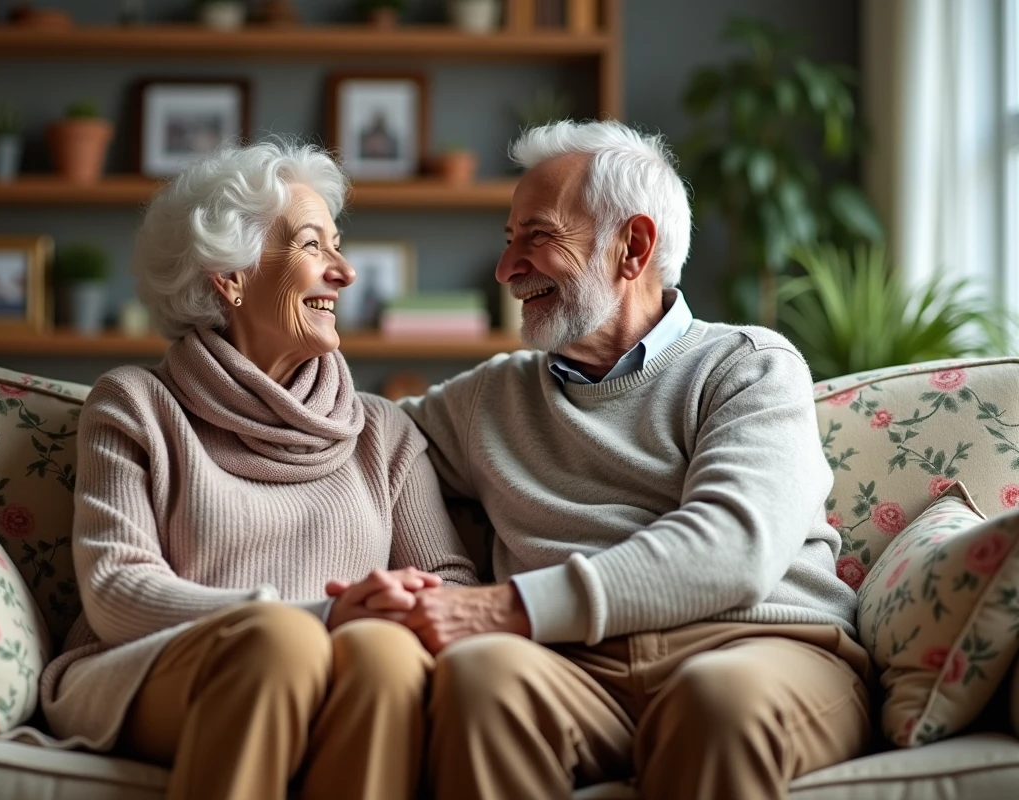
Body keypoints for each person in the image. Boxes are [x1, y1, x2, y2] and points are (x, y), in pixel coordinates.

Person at [372, 120, 871, 799]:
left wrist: (506, 607)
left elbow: (734, 548)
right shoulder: (493, 396)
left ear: (633, 246)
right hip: (575, 672)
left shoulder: (748, 366)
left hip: (757, 650)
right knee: (478, 677)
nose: (506, 269)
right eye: (509, 240)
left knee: (716, 700)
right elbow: (364, 435)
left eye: (537, 237)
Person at [38, 140, 477, 800]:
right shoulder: (136, 404)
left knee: (387, 656)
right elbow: (116, 590)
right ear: (230, 276)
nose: (345, 272)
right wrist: (318, 615)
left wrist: (399, 605)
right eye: (312, 246)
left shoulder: (382, 431)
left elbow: (451, 582)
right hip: (152, 670)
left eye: (338, 246)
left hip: (339, 674)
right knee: (279, 641)